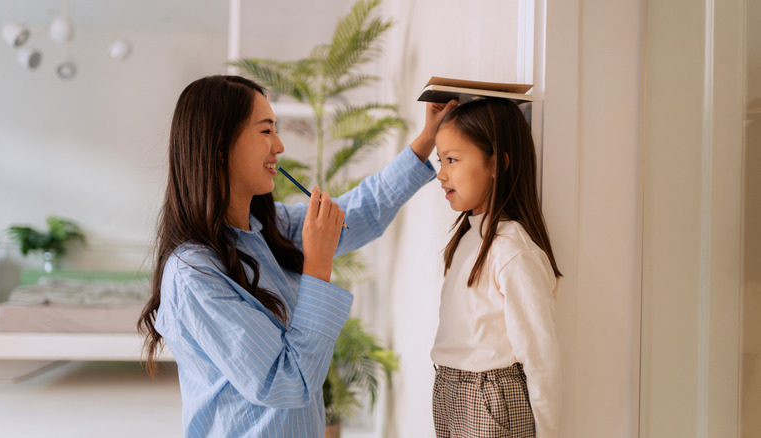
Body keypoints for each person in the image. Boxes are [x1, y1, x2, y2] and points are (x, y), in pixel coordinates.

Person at [137, 74, 457, 437]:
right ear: (220, 146)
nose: (280, 146)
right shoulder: (192, 275)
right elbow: (285, 382)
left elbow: (360, 211)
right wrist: (318, 265)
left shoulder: (266, 228)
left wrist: (427, 138)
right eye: (266, 131)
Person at [430, 97, 563, 438]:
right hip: (451, 389)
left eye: (452, 160)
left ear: (496, 164)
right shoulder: (466, 238)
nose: (441, 173)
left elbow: (541, 355)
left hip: (490, 398)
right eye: (440, 160)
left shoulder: (509, 250)